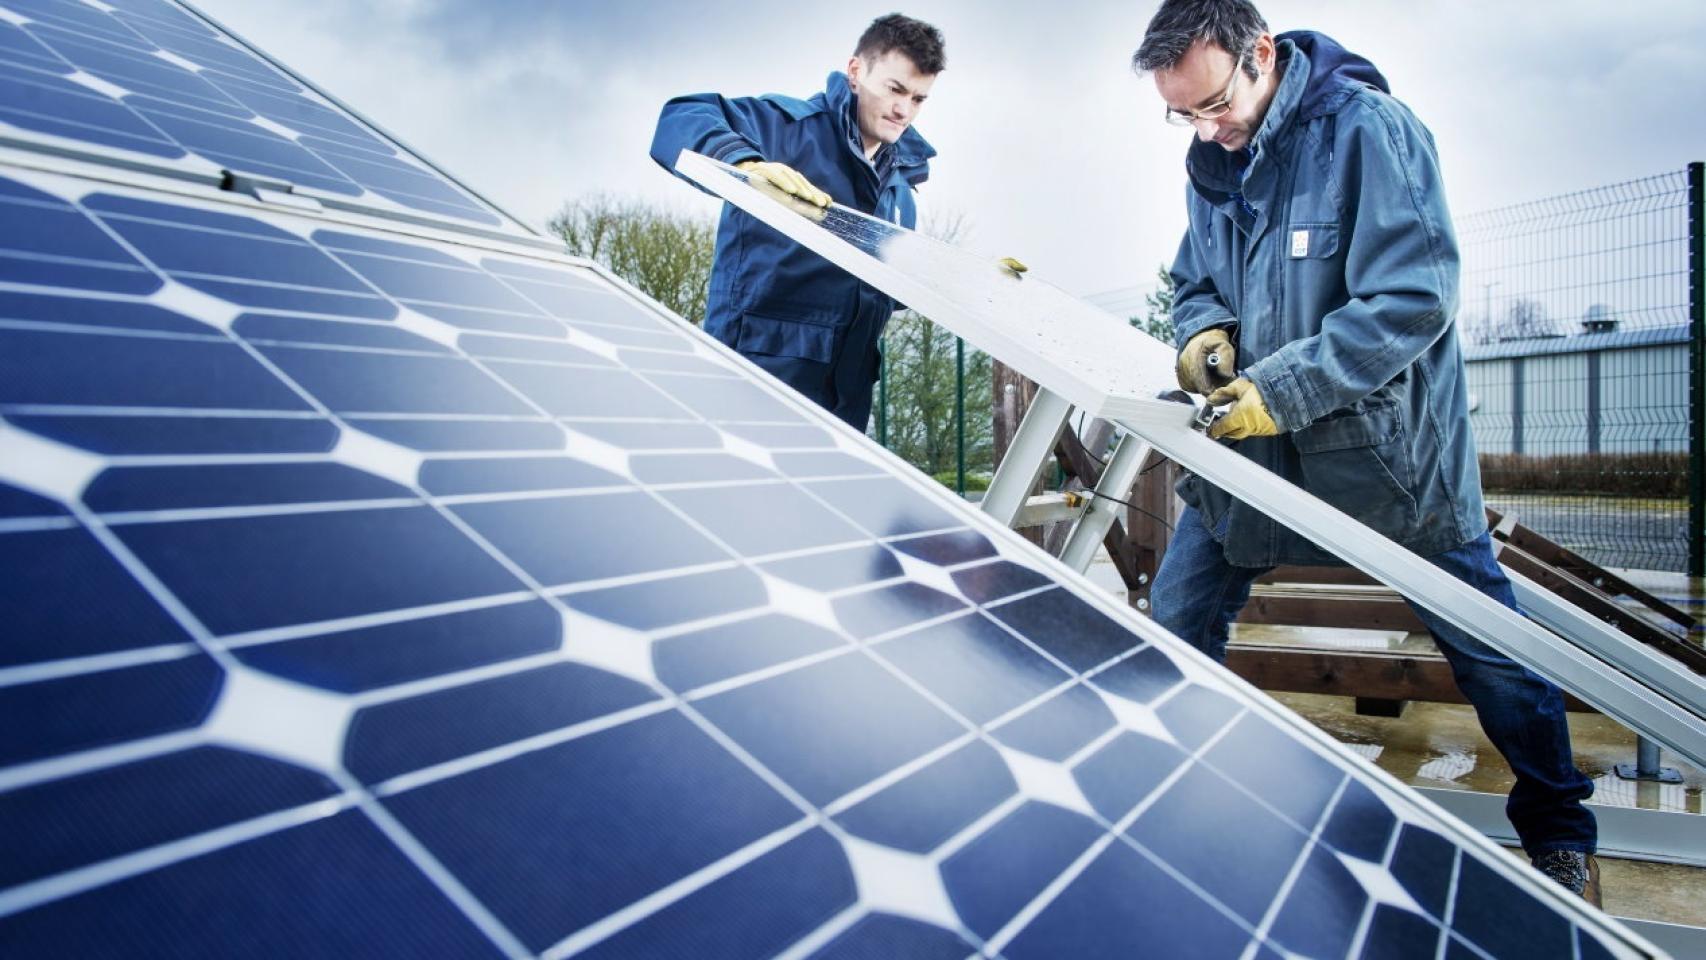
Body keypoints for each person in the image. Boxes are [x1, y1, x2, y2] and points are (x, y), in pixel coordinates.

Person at [1133, 0, 1602, 905]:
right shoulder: (1212, 163)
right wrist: (1202, 331)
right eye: (1181, 114)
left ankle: (1561, 835)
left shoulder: (1370, 133)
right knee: (1178, 615)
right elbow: (1195, 279)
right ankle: (1161, 790)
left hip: (1389, 459)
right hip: (1254, 461)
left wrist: (1284, 389)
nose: (1204, 128)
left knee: (1490, 651)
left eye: (1213, 103)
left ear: (1260, 53)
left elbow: (1412, 298)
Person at [650, 14, 946, 430]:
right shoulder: (785, 128)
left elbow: (885, 293)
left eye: (918, 99)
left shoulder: (900, 185)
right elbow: (681, 117)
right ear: (856, 72)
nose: (904, 110)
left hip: (846, 402)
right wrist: (745, 163)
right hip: (755, 381)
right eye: (895, 89)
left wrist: (951, 278)